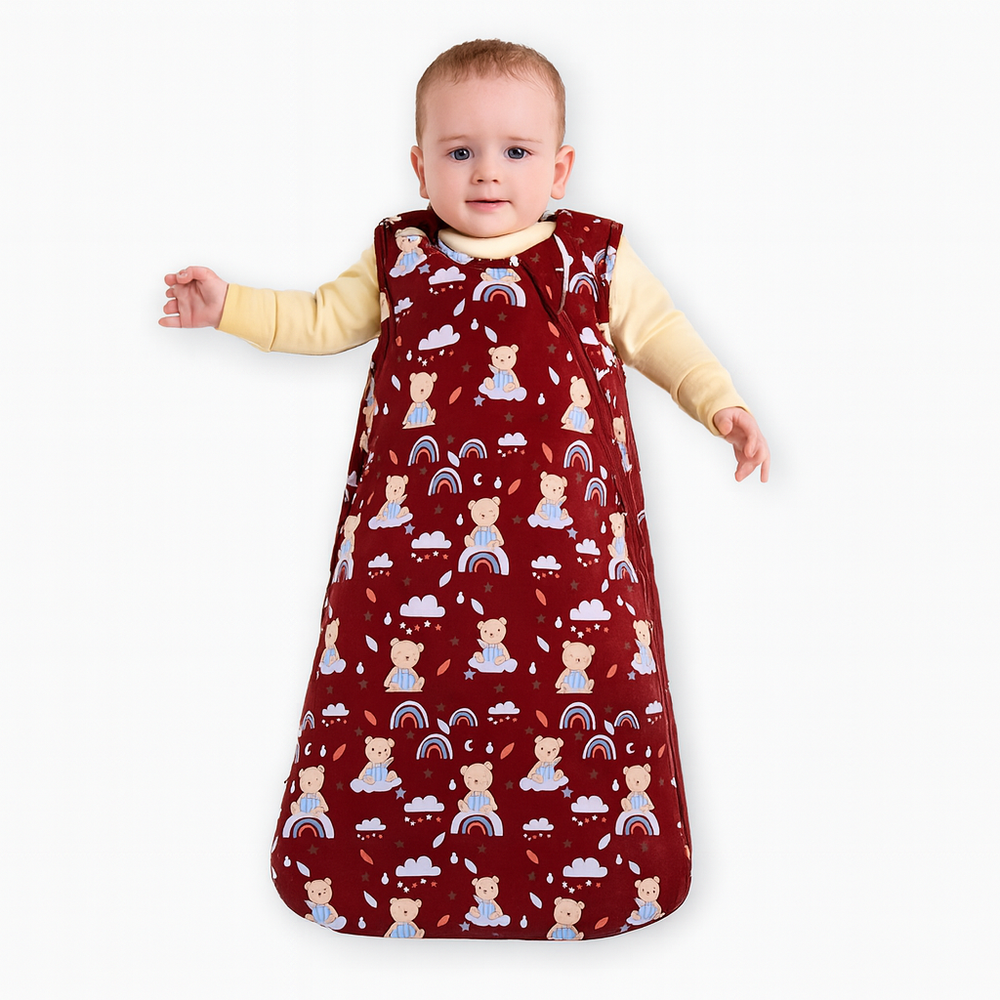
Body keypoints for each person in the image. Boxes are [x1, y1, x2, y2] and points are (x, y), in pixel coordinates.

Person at [159, 39, 769, 940]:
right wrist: (232, 306)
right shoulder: (398, 258)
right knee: (391, 697)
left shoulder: (595, 259)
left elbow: (664, 338)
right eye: (460, 151)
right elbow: (321, 319)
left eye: (517, 152)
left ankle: (596, 872)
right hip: (410, 564)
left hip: (571, 567)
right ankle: (368, 869)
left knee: (588, 696)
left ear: (559, 168)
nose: (488, 173)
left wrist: (722, 405)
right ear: (420, 164)